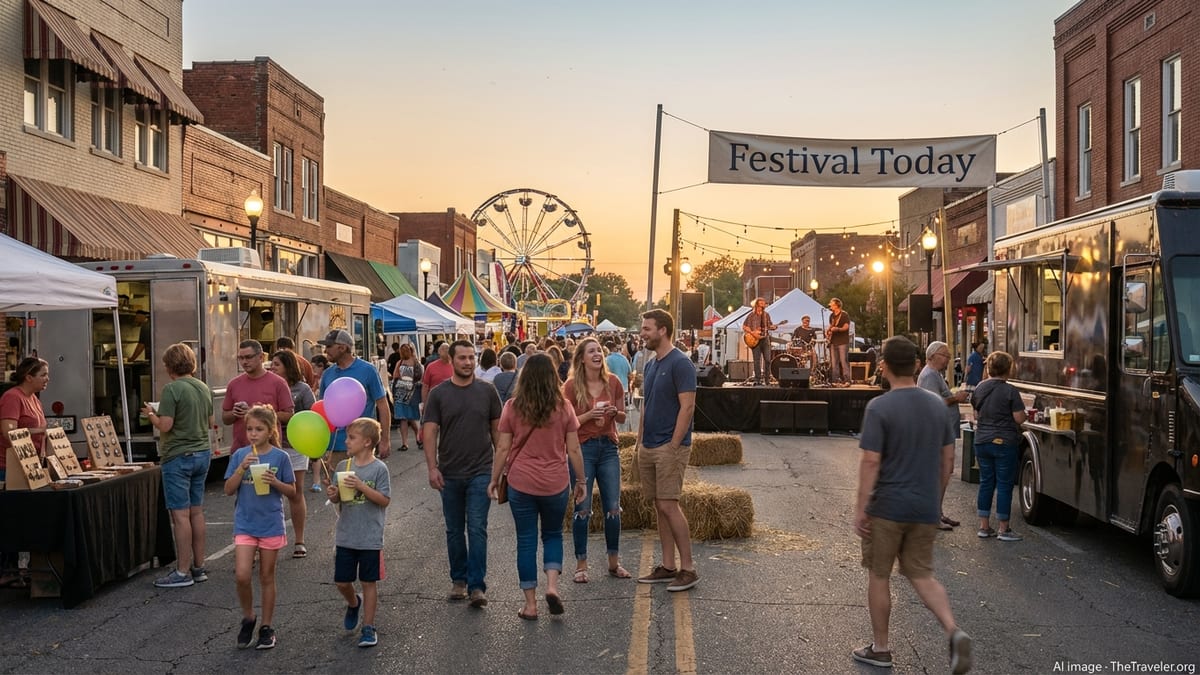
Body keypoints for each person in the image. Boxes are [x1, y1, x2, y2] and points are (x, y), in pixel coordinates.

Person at [852, 336, 972, 674]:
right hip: (924, 506)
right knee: (921, 574)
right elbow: (948, 460)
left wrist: (861, 507)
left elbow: (871, 463)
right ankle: (953, 629)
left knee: (879, 575)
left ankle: (881, 648)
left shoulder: (879, 407)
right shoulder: (937, 404)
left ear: (884, 366)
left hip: (887, 506)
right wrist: (934, 500)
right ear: (918, 365)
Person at [488, 354, 586, 620]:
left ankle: (530, 605)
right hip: (555, 482)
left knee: (526, 541)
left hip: (521, 482)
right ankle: (553, 587)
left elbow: (503, 447)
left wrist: (494, 479)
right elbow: (574, 449)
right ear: (553, 376)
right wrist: (581, 481)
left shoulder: (512, 406)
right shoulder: (564, 407)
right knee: (553, 534)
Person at [422, 340, 502, 608]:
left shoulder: (487, 391)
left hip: (481, 470)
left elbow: (497, 432)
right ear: (452, 360)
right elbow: (430, 432)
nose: (468, 362)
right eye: (463, 358)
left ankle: (477, 586)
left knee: (477, 528)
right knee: (454, 530)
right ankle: (459, 580)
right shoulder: (439, 394)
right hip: (450, 472)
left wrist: (500, 471)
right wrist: (432, 468)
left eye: (471, 358)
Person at [635, 309, 700, 592]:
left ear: (662, 330)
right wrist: (638, 441)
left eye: (647, 329)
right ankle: (667, 565)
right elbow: (646, 405)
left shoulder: (681, 364)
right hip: (649, 445)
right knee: (659, 506)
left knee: (669, 504)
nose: (643, 333)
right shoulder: (650, 364)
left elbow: (687, 406)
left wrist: (674, 444)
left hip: (669, 446)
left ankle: (688, 568)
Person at [223, 405, 296, 650]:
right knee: (242, 575)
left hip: (271, 523)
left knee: (267, 576)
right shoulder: (240, 455)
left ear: (270, 430)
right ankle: (248, 616)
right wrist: (242, 467)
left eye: (259, 429)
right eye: (250, 429)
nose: (253, 434)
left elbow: (293, 492)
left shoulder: (280, 457)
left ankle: (266, 626)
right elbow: (228, 489)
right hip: (245, 522)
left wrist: (275, 481)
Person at [145, 344, 214, 588]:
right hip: (202, 452)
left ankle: (182, 572)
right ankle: (199, 566)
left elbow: (165, 425)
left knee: (180, 515)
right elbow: (210, 421)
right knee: (196, 511)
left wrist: (151, 414)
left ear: (169, 366)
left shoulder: (171, 389)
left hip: (178, 454)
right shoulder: (203, 387)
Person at [563, 338, 629, 583]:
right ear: (581, 358)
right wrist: (590, 414)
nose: (597, 354)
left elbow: (622, 417)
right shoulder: (570, 387)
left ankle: (614, 562)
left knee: (613, 507)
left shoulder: (613, 383)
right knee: (583, 508)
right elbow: (566, 424)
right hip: (583, 449)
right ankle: (581, 564)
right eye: (591, 351)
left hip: (608, 447)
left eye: (599, 350)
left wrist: (614, 413)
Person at [326, 417, 391, 648]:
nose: (346, 441)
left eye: (351, 437)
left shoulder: (379, 469)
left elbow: (384, 500)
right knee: (342, 582)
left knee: (368, 582)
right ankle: (354, 603)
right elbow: (338, 499)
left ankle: (368, 626)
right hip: (346, 535)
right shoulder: (344, 466)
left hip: (370, 537)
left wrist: (362, 487)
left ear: (366, 442)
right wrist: (333, 493)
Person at [222, 340, 295, 539]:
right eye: (241, 358)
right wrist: (234, 413)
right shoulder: (234, 384)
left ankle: (269, 538)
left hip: (269, 450)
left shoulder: (278, 382)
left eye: (248, 357)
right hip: (241, 449)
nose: (244, 362)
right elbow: (225, 417)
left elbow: (289, 414)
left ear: (261, 357)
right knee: (243, 497)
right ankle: (248, 541)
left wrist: (261, 413)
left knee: (269, 496)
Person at [0, 357, 49, 588]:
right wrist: (39, 430)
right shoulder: (12, 397)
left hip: (31, 464)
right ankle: (6, 569)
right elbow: (8, 432)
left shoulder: (34, 400)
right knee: (10, 517)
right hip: (8, 467)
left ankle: (21, 567)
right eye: (43, 375)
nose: (47, 379)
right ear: (29, 376)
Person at [970, 351, 1027, 542]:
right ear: (1008, 369)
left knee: (986, 482)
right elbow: (1019, 418)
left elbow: (976, 415)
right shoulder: (1010, 391)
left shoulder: (979, 388)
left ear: (989, 368)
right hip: (1004, 442)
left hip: (982, 441)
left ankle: (984, 527)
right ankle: (1004, 528)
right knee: (1004, 484)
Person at [918, 341, 970, 531]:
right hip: (936, 433)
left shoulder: (934, 375)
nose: (948, 359)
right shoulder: (930, 375)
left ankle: (937, 512)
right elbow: (934, 402)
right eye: (945, 355)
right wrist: (956, 397)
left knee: (942, 474)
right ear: (932, 356)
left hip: (941, 431)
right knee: (938, 474)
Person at [318, 330, 392, 460]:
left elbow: (382, 404)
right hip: (334, 445)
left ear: (342, 347)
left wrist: (385, 439)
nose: (325, 350)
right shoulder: (327, 374)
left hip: (362, 445)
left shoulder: (368, 370)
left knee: (362, 480)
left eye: (329, 346)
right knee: (336, 481)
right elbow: (322, 409)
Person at [269, 350, 316, 558]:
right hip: (271, 446)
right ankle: (268, 542)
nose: (272, 368)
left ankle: (300, 540)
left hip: (295, 446)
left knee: (295, 493)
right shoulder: (268, 385)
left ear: (288, 366)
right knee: (269, 494)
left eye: (276, 365)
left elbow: (312, 416)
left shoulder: (303, 389)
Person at [390, 343, 423, 452]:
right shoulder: (414, 362)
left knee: (407, 418)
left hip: (404, 392)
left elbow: (395, 376)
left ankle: (411, 441)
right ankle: (413, 440)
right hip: (407, 393)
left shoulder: (402, 363)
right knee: (405, 418)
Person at [742, 297, 777, 385]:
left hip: (765, 339)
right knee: (757, 360)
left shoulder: (766, 315)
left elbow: (769, 325)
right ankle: (757, 379)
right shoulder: (751, 315)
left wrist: (773, 327)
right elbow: (744, 326)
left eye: (763, 304)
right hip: (755, 340)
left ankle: (767, 379)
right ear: (756, 304)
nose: (762, 305)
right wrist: (753, 333)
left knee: (768, 360)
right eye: (760, 303)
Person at [827, 298, 852, 386]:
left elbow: (846, 327)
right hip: (833, 341)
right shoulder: (832, 316)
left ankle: (847, 380)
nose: (829, 305)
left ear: (836, 305)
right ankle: (835, 380)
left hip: (842, 341)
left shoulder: (844, 315)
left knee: (843, 361)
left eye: (831, 303)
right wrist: (828, 331)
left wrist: (837, 329)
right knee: (834, 363)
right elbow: (831, 325)